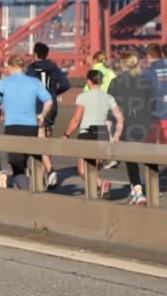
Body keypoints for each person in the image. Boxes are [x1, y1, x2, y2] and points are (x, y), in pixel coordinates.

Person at [0, 55, 53, 190]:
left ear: (10, 67)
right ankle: (36, 187)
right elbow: (49, 100)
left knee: (17, 167)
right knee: (33, 162)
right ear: (23, 67)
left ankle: (30, 197)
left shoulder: (3, 83)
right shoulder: (34, 82)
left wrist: (1, 110)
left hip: (13, 127)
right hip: (32, 127)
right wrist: (42, 115)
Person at [62, 70, 124, 199]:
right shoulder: (108, 97)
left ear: (89, 81)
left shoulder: (83, 97)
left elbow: (76, 119)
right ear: (101, 82)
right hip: (102, 134)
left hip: (87, 133)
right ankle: (100, 186)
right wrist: (117, 135)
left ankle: (100, 184)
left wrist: (66, 134)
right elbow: (120, 118)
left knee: (83, 170)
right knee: (93, 166)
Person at [109, 52, 156, 205]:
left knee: (131, 160)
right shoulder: (145, 81)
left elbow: (111, 107)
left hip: (126, 125)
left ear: (123, 64)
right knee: (149, 158)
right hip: (145, 124)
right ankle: (151, 189)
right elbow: (153, 104)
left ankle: (138, 191)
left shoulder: (115, 82)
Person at [27, 42, 71, 189]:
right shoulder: (54, 67)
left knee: (40, 143)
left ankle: (51, 171)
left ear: (35, 54)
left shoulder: (31, 69)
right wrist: (54, 93)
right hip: (52, 106)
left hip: (39, 108)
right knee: (47, 142)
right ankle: (44, 174)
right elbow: (65, 84)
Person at [145, 43, 167, 144]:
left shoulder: (147, 73)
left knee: (152, 147)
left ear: (149, 56)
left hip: (155, 114)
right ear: (161, 54)